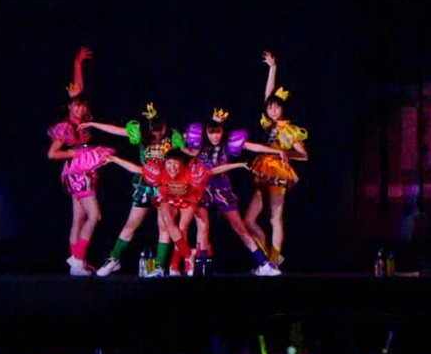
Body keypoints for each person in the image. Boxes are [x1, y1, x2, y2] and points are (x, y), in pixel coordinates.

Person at [80, 103, 185, 277]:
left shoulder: (173, 137)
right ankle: (113, 259)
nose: (157, 133)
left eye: (160, 128)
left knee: (165, 226)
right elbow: (116, 130)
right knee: (131, 224)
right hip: (145, 183)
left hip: (165, 186)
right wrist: (93, 124)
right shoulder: (142, 135)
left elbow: (188, 149)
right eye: (154, 129)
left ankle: (159, 266)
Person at [105, 149, 248, 277]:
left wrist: (239, 164)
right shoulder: (160, 173)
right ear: (165, 164)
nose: (172, 167)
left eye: (176, 163)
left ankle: (178, 263)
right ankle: (188, 255)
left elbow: (213, 171)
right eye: (169, 163)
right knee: (166, 219)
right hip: (169, 198)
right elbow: (136, 169)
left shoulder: (191, 173)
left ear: (182, 164)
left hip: (188, 199)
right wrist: (114, 159)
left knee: (182, 226)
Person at [180, 108, 285, 276]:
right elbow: (180, 144)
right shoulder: (198, 146)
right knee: (203, 227)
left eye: (218, 132)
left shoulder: (228, 144)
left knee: (239, 227)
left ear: (223, 131)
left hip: (222, 189)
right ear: (206, 131)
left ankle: (264, 264)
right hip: (201, 190)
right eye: (211, 132)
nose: (215, 136)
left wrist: (276, 151)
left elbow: (253, 146)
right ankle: (201, 268)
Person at [46, 46, 114, 276]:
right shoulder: (67, 127)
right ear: (69, 106)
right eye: (76, 105)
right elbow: (52, 154)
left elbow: (79, 89)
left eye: (83, 105)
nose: (80, 108)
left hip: (82, 171)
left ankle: (78, 262)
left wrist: (78, 64)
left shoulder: (82, 122)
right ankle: (77, 260)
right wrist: (74, 154)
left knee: (79, 218)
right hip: (78, 173)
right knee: (95, 216)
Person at [243, 51, 309, 271]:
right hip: (262, 169)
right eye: (270, 107)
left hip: (278, 173)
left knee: (275, 218)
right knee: (248, 220)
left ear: (283, 108)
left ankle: (273, 260)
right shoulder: (267, 123)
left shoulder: (289, 130)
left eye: (276, 107)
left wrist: (286, 154)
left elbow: (304, 155)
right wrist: (272, 68)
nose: (272, 110)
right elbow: (268, 94)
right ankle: (266, 259)